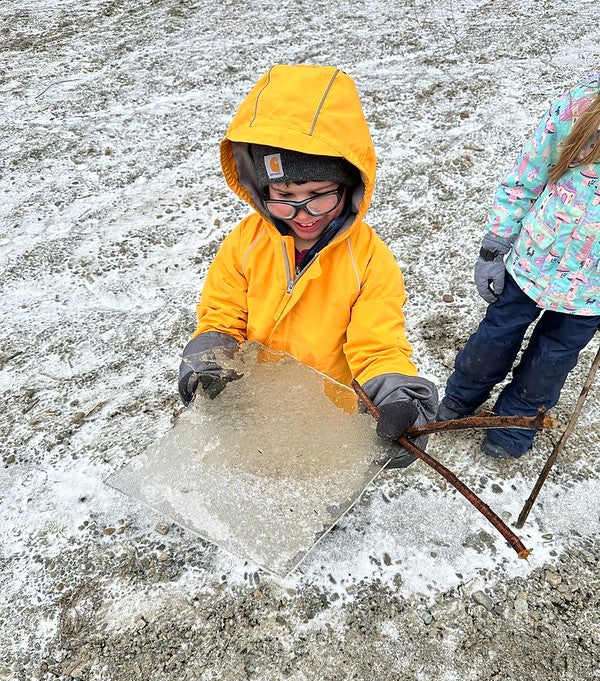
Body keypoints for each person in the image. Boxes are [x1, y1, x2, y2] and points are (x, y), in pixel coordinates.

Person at [178, 64, 438, 467]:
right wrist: (210, 359)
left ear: (349, 185)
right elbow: (222, 314)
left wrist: (397, 396)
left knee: (314, 476)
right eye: (283, 195)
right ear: (262, 189)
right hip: (252, 395)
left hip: (327, 408)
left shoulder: (369, 260)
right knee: (258, 467)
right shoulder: (245, 243)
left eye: (319, 194)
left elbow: (379, 345)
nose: (303, 214)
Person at [438, 75, 600, 459]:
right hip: (531, 264)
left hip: (591, 292)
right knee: (496, 335)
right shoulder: (579, 105)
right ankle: (462, 395)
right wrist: (495, 246)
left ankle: (515, 421)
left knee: (553, 357)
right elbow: (525, 179)